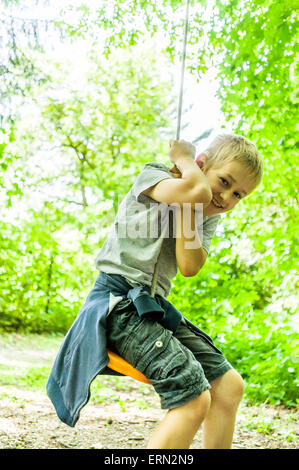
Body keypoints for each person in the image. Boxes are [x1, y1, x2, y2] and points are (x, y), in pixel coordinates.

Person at [46, 134, 263, 449]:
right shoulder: (155, 176)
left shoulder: (204, 216)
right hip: (117, 305)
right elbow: (196, 189)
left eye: (238, 194)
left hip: (151, 307)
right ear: (202, 164)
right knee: (194, 397)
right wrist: (185, 159)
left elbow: (190, 264)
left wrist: (192, 202)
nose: (226, 197)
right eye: (224, 181)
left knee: (229, 386)